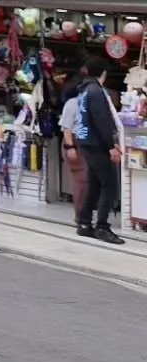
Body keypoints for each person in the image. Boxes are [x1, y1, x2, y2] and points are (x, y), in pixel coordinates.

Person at [75, 60, 125, 244]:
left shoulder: (84, 90)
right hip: (97, 144)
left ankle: (85, 223)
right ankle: (102, 226)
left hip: (86, 141)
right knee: (109, 184)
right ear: (103, 72)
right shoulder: (96, 91)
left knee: (95, 184)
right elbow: (102, 121)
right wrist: (111, 146)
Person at [60, 68, 91, 229]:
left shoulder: (85, 102)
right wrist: (70, 146)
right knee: (81, 181)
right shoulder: (72, 104)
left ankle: (84, 215)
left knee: (84, 181)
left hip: (82, 144)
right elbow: (66, 128)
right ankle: (81, 217)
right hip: (74, 143)